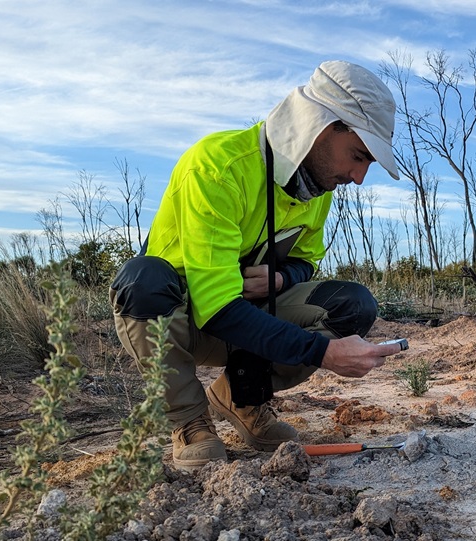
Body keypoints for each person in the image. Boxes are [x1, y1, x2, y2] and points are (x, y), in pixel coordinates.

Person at [109, 60, 404, 470]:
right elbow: (217, 308)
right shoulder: (218, 165)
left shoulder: (317, 188)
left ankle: (240, 399)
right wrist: (323, 352)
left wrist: (282, 276)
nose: (358, 177)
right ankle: (190, 421)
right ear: (320, 126)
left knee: (353, 304)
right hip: (183, 319)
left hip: (249, 318)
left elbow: (306, 260)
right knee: (141, 280)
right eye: (359, 156)